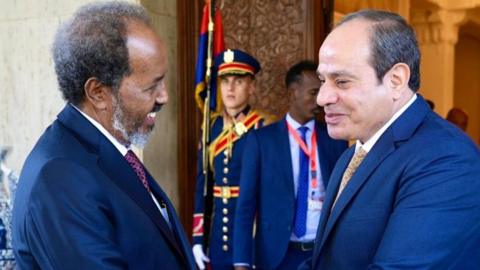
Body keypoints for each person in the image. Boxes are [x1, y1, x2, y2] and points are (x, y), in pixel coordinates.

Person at [12, 2, 195, 269]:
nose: (164, 96)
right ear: (98, 92)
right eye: (151, 87)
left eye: (163, 80)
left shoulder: (107, 148)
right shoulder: (60, 178)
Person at [303, 9, 480, 269]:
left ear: (396, 80)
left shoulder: (448, 160)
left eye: (341, 81)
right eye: (323, 81)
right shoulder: (353, 153)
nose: (322, 98)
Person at [233, 61, 347, 270]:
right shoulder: (261, 142)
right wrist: (241, 262)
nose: (320, 100)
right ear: (293, 93)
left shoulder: (335, 139)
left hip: (323, 254)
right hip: (278, 255)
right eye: (313, 92)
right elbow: (245, 206)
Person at [192, 49, 271, 269]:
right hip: (217, 238)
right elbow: (203, 186)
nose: (230, 88)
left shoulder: (263, 126)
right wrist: (198, 239)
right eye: (225, 81)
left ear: (252, 86)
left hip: (251, 233)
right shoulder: (211, 127)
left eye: (238, 81)